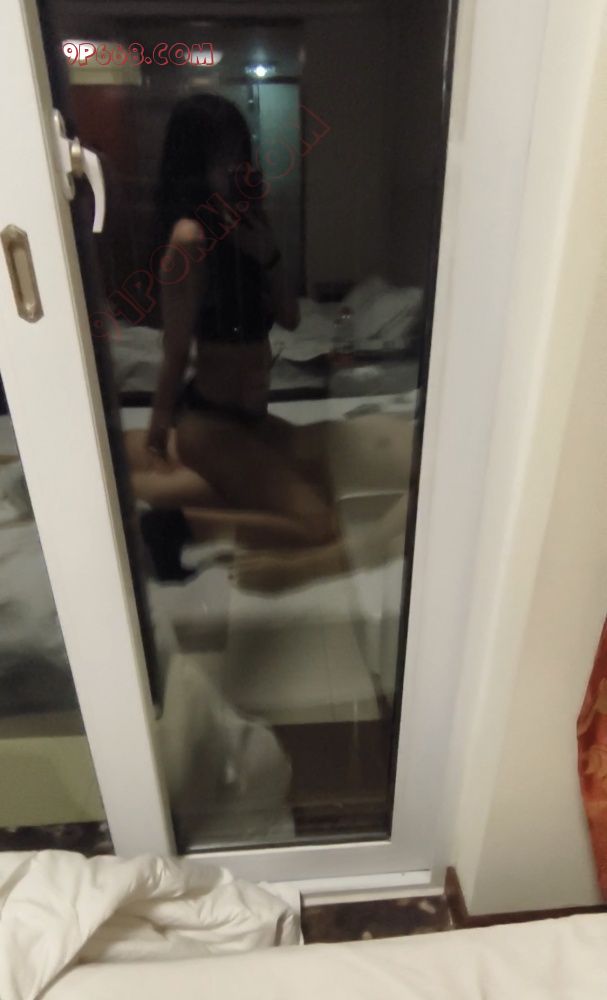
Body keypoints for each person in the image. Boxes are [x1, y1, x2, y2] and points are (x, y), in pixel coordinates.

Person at [146, 93, 337, 552]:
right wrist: (158, 432)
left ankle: (181, 506)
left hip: (253, 419)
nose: (233, 167)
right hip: (211, 423)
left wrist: (267, 255)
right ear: (195, 164)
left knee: (326, 484)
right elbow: (176, 350)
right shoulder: (190, 238)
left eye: (238, 151)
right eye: (220, 156)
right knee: (319, 524)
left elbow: (290, 318)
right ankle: (178, 529)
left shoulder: (250, 224)